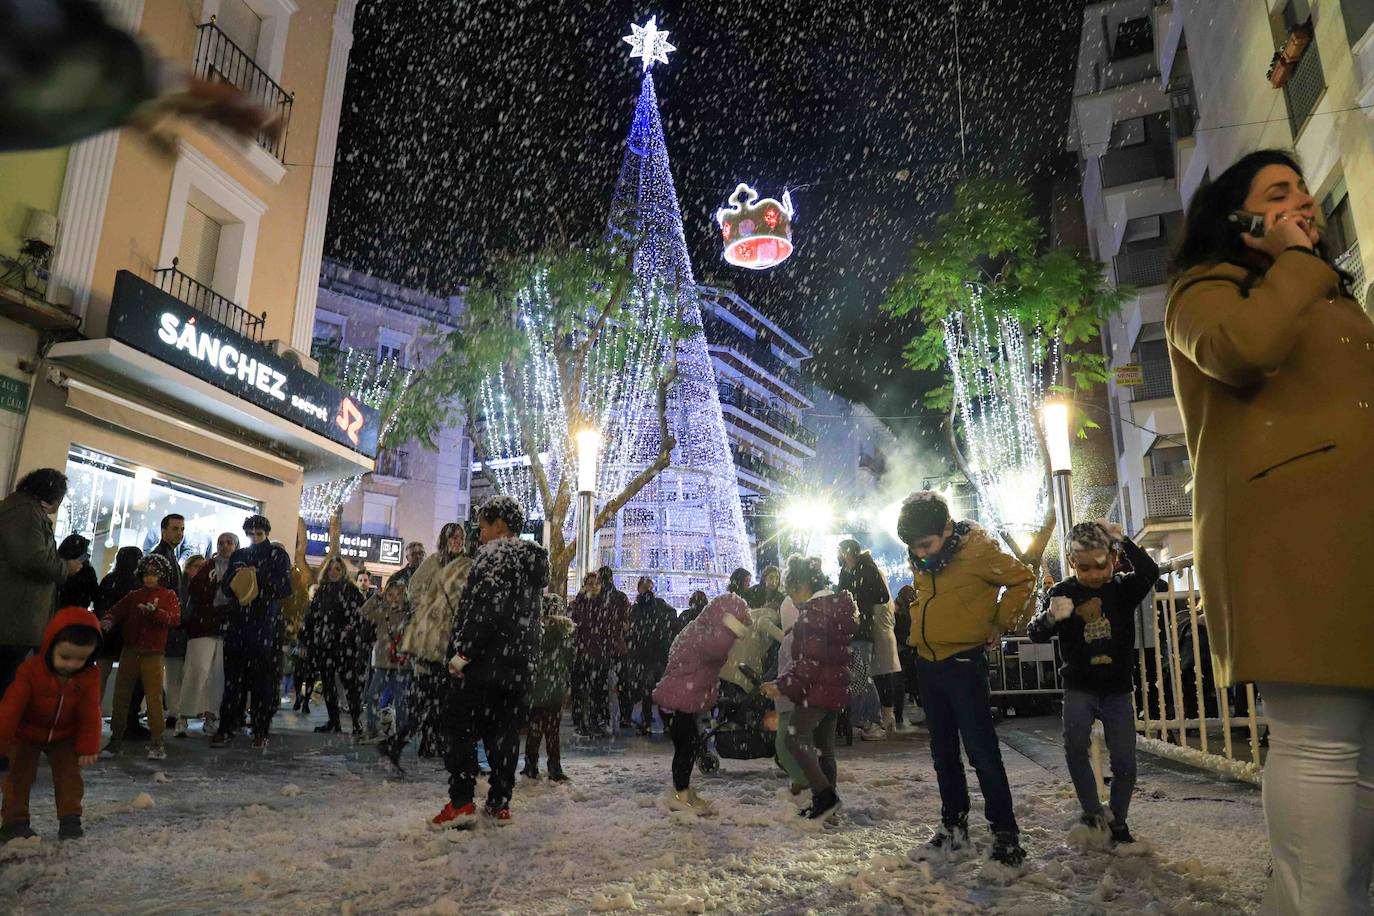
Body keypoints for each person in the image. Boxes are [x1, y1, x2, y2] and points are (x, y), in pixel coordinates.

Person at [1165, 148, 1374, 913]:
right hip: (1295, 536)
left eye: (1307, 191)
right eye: (1280, 192)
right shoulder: (1204, 290)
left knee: (1365, 754)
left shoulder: (1326, 297)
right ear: (1238, 218)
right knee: (1320, 740)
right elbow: (1240, 349)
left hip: (1358, 531)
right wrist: (1294, 262)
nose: (1306, 202)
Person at [898, 491, 1035, 867]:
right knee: (943, 754)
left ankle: (1005, 834)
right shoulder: (924, 558)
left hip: (963, 663)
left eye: (926, 544)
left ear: (946, 529)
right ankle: (953, 828)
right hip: (928, 663)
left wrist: (1001, 622)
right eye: (913, 547)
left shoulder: (978, 552)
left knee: (981, 752)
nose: (920, 553)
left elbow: (1023, 579)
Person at [1028, 521, 1158, 846]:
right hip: (1079, 686)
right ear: (1072, 562)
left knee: (1125, 761)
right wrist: (1050, 617)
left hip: (1117, 689)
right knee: (1075, 747)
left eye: (1101, 565)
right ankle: (1092, 812)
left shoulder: (1121, 588)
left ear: (1112, 557)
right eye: (1084, 567)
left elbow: (1149, 572)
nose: (1094, 574)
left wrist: (1124, 540)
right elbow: (1036, 633)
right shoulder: (1064, 592)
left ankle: (1118, 820)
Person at [431, 495, 548, 830]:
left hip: (483, 665)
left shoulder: (495, 556)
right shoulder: (531, 563)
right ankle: (499, 802)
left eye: (483, 526)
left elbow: (485, 611)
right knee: (504, 733)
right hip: (516, 667)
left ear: (499, 525)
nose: (480, 534)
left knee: (458, 726)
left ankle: (461, 801)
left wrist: (462, 654)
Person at [763, 555, 857, 822]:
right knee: (824, 750)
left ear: (803, 585)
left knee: (794, 738)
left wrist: (782, 686)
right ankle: (828, 805)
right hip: (835, 689)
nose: (792, 601)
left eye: (792, 593)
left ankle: (825, 797)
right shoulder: (834, 609)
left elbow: (808, 663)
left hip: (817, 691)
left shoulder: (812, 615)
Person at [0, 607, 102, 843]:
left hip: (64, 736)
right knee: (19, 776)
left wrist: (88, 746)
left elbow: (90, 712)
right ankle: (14, 822)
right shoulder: (30, 671)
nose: (72, 664)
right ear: (49, 646)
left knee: (69, 776)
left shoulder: (89, 676)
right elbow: (10, 709)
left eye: (81, 659)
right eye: (65, 657)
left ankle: (70, 819)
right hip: (26, 734)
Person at [0, 469, 80, 765]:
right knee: (7, 684)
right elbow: (32, 559)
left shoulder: (18, 510)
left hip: (15, 616)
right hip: (14, 617)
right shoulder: (24, 514)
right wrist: (65, 568)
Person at [651, 591, 752, 813]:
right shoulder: (707, 636)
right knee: (686, 749)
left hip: (678, 700)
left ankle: (683, 791)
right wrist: (735, 626)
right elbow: (717, 647)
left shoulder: (698, 629)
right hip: (677, 702)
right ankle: (681, 795)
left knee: (689, 747)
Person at [384, 522, 470, 767]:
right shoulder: (434, 562)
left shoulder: (466, 564)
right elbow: (415, 589)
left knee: (440, 697)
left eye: (460, 537)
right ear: (445, 540)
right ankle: (410, 742)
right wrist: (433, 608)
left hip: (454, 638)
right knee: (430, 696)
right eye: (453, 537)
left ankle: (426, 742)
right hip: (432, 640)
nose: (457, 541)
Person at [212, 515, 291, 750]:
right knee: (233, 680)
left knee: (261, 681)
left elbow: (284, 588)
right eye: (251, 534)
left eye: (259, 533)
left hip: (263, 624)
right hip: (238, 623)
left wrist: (259, 577)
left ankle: (260, 728)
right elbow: (227, 587)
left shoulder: (277, 555)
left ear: (266, 533)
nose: (254, 538)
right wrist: (238, 577)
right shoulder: (240, 555)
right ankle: (227, 726)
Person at [99, 553, 180, 761]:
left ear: (162, 575)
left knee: (153, 698)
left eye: (154, 574)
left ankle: (157, 740)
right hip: (131, 650)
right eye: (146, 574)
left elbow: (174, 619)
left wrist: (156, 613)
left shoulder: (168, 595)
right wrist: (109, 619)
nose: (149, 578)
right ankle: (117, 737)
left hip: (152, 652)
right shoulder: (134, 595)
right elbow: (116, 611)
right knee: (121, 695)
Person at [301, 555, 367, 736]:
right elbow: (311, 617)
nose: (333, 572)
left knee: (350, 684)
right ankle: (334, 721)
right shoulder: (323, 590)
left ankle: (356, 722)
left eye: (337, 569)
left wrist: (351, 628)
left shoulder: (351, 591)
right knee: (328, 683)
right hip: (325, 643)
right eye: (331, 569)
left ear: (343, 571)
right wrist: (306, 640)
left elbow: (362, 614)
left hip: (344, 644)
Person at [180, 534, 235, 738]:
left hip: (225, 629)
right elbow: (195, 589)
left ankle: (212, 716)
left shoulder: (238, 567)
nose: (224, 546)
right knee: (197, 670)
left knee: (218, 676)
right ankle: (184, 716)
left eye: (229, 543)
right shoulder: (208, 566)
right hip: (203, 627)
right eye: (221, 542)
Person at [837, 539, 891, 740]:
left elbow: (882, 596)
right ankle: (861, 720)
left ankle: (875, 721)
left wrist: (859, 600)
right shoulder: (845, 571)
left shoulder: (867, 569)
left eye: (840, 550)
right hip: (849, 629)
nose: (838, 554)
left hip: (862, 629)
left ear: (848, 551)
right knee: (855, 676)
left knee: (863, 676)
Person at [522, 593, 575, 781]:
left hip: (536, 688)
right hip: (555, 687)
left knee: (534, 729)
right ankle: (554, 767)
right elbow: (571, 659)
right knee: (553, 730)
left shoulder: (533, 630)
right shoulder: (563, 632)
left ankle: (530, 765)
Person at [568, 572, 622, 738]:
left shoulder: (605, 606)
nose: (594, 587)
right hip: (583, 654)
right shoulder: (578, 605)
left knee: (597, 690)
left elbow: (611, 629)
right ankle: (580, 722)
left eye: (597, 583)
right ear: (585, 586)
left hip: (599, 655)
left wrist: (609, 647)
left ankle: (593, 720)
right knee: (581, 690)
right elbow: (573, 628)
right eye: (590, 583)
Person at [93, 546, 140, 732]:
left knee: (100, 677)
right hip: (127, 635)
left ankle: (93, 714)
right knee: (124, 681)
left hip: (107, 633)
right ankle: (119, 717)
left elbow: (100, 603)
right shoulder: (137, 584)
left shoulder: (110, 579)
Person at [358, 580, 411, 744]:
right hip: (383, 663)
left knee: (401, 700)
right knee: (372, 696)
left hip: (402, 663)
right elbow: (363, 612)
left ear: (404, 596)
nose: (394, 598)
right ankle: (372, 729)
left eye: (398, 594)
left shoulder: (409, 614)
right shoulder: (382, 612)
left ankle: (401, 732)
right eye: (390, 594)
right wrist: (377, 597)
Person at [623, 576, 678, 735]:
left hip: (645, 655)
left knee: (648, 690)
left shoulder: (637, 609)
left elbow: (631, 631)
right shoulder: (659, 606)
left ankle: (647, 722)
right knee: (659, 690)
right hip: (656, 654)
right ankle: (665, 722)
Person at [162, 554, 201, 735]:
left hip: (187, 636)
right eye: (196, 566)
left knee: (184, 677)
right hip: (178, 636)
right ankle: (174, 712)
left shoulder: (197, 589)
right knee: (173, 676)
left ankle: (179, 712)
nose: (199, 570)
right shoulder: (180, 589)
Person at [892, 583, 921, 727]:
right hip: (913, 650)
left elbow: (895, 632)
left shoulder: (896, 613)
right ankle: (922, 709)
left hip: (900, 650)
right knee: (915, 681)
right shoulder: (916, 610)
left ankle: (898, 714)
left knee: (899, 683)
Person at [55, 535, 99, 612]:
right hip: (78, 614)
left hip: (55, 611)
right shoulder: (87, 571)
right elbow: (95, 594)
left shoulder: (58, 567)